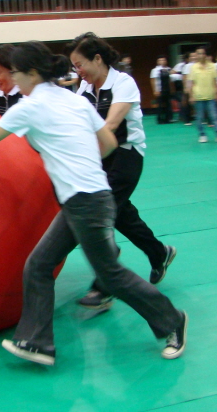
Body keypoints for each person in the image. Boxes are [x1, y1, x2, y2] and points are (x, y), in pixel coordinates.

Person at [0, 41, 188, 366]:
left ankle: (173, 321)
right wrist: (81, 161)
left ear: (32, 73)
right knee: (39, 266)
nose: (13, 80)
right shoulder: (74, 100)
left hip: (85, 201)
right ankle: (37, 342)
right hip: (85, 197)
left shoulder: (30, 107)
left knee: (110, 275)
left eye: (15, 73)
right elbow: (110, 142)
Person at [68, 33, 177, 312]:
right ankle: (158, 252)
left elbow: (112, 124)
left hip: (127, 154)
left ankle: (104, 286)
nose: (78, 72)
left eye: (80, 65)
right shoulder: (84, 89)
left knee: (101, 213)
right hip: (102, 156)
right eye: (74, 67)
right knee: (122, 213)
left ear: (97, 59)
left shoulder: (123, 83)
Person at [188, 46, 217, 143]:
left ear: (205, 55)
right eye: (198, 53)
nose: (200, 55)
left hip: (211, 96)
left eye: (202, 53)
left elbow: (216, 81)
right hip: (198, 96)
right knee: (199, 118)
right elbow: (191, 82)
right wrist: (191, 95)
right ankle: (202, 135)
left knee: (215, 117)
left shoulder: (213, 66)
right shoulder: (193, 67)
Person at [150, 55, 173, 124]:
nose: (162, 62)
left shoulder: (169, 69)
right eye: (160, 60)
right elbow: (153, 80)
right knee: (159, 105)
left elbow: (171, 80)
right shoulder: (155, 70)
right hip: (159, 89)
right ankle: (159, 119)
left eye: (164, 60)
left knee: (168, 104)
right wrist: (155, 90)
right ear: (157, 62)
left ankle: (168, 118)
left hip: (167, 89)